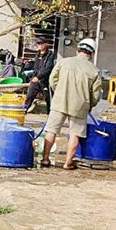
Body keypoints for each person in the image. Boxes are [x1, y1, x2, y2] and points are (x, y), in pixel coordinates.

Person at [41, 38, 103, 170]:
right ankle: (68, 163)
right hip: (80, 106)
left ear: (77, 50)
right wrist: (90, 105)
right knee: (75, 133)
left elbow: (52, 80)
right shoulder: (94, 71)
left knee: (51, 130)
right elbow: (96, 94)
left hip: (60, 101)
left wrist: (59, 91)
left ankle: (45, 159)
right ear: (91, 54)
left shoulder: (63, 62)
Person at [24, 36, 56, 113]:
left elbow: (48, 69)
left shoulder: (50, 55)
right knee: (29, 96)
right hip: (35, 81)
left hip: (45, 81)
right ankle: (23, 111)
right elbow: (36, 68)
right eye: (38, 43)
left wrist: (38, 77)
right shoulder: (37, 54)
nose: (40, 45)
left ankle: (50, 114)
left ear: (46, 44)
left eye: (42, 43)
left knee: (48, 99)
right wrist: (32, 78)